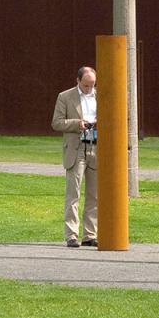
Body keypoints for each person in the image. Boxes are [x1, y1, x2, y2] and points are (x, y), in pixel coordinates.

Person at [52, 66, 99, 248]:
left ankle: (90, 235)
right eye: (86, 85)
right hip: (76, 148)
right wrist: (77, 124)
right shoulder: (65, 96)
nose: (89, 89)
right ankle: (71, 235)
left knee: (94, 194)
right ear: (78, 81)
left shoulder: (101, 96)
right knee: (73, 193)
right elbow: (56, 123)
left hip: (95, 147)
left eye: (92, 85)